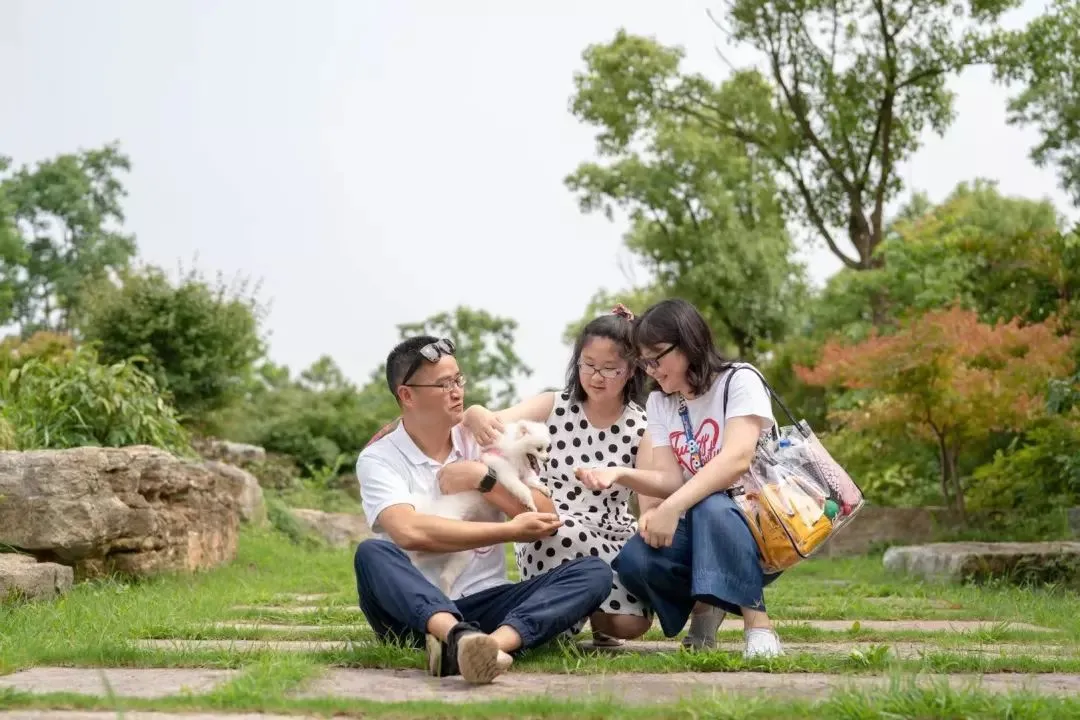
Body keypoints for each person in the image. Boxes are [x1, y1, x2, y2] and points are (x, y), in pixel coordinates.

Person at [353, 335, 614, 685]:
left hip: (487, 603)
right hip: (413, 613)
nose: (457, 391)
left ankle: (485, 647)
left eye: (458, 380)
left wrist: (485, 480)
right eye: (443, 384)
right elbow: (409, 532)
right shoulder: (380, 458)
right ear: (407, 395)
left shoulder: (481, 439)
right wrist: (509, 531)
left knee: (593, 573)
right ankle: (455, 635)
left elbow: (546, 515)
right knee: (372, 553)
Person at [576, 298, 785, 659]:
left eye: (657, 358)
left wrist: (672, 507)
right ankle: (707, 599)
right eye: (644, 361)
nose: (652, 370)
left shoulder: (739, 379)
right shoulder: (662, 403)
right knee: (635, 560)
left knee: (711, 506)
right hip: (701, 524)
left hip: (759, 521)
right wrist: (622, 474)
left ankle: (758, 624)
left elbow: (736, 459)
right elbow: (671, 479)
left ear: (688, 343)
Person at [462, 305, 655, 646]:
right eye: (589, 365)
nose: (596, 377)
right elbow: (493, 422)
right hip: (551, 528)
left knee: (631, 625)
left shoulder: (642, 427)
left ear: (632, 370)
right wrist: (475, 412)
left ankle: (576, 617)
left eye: (610, 369)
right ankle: (551, 621)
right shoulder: (554, 404)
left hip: (613, 534)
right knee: (564, 532)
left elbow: (650, 503)